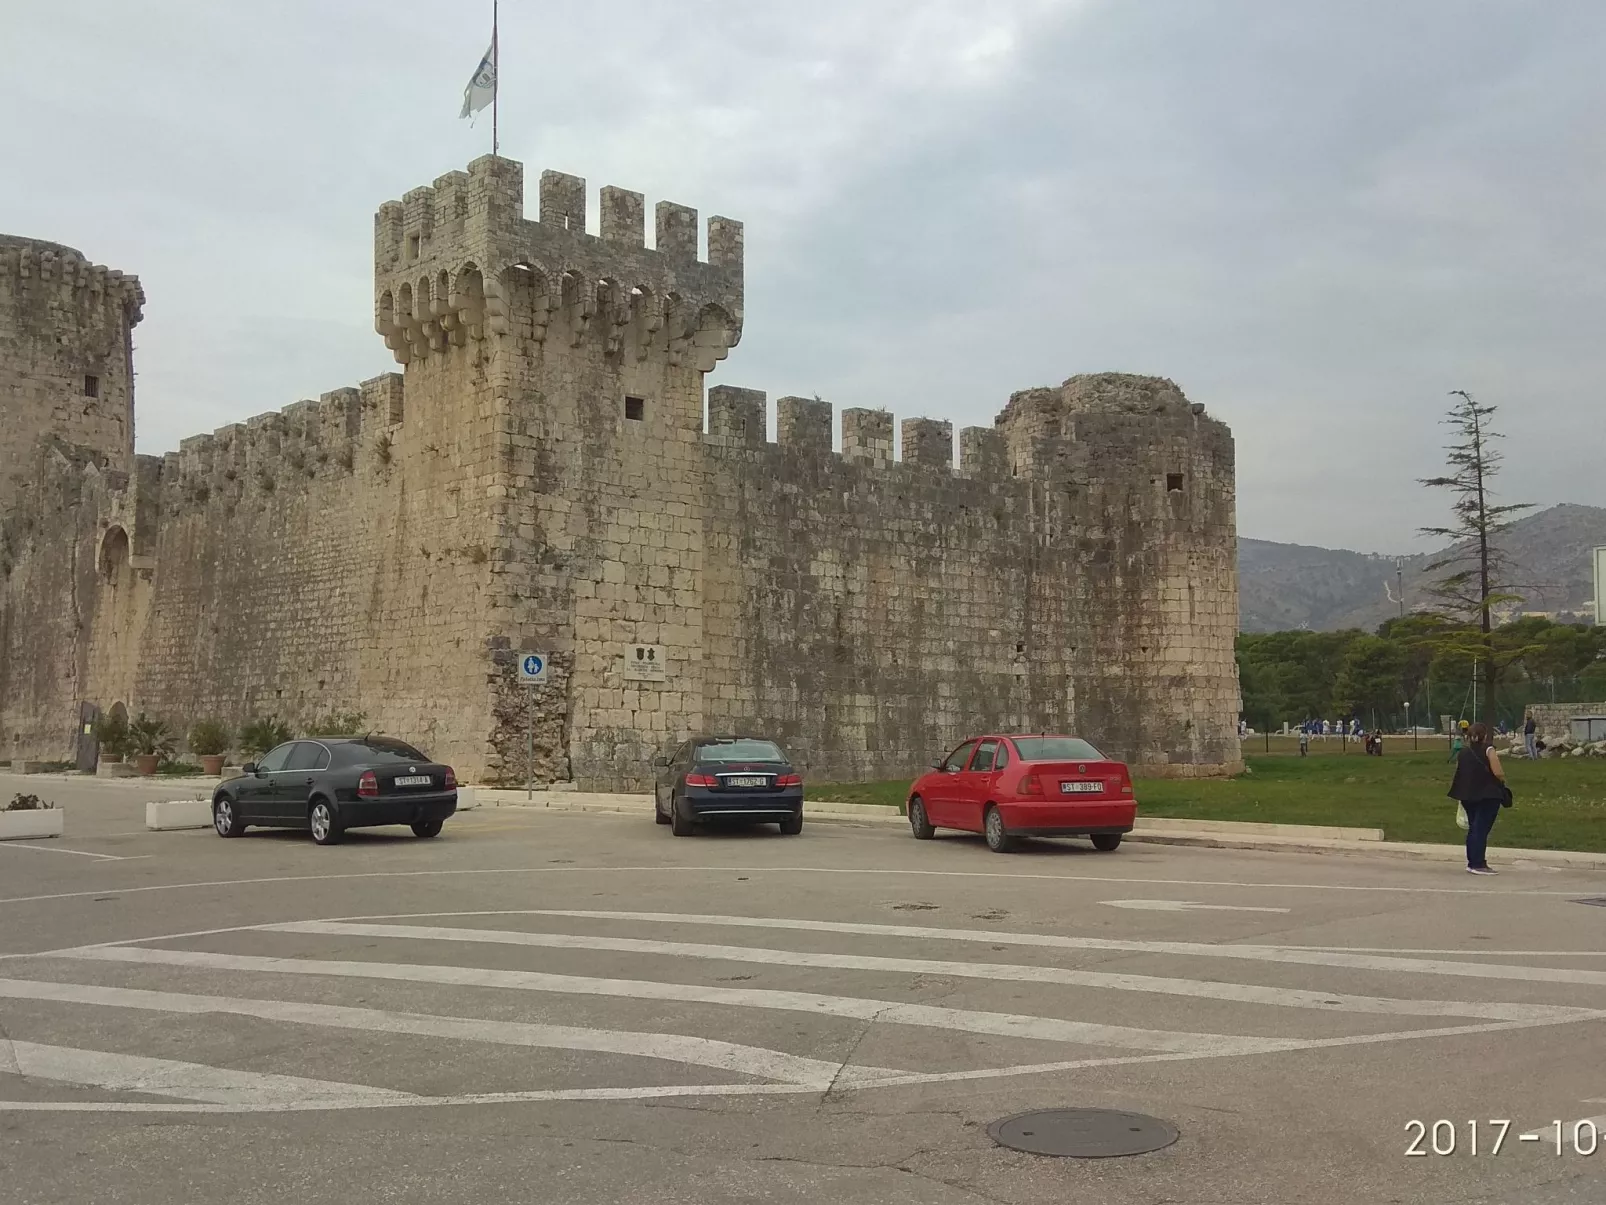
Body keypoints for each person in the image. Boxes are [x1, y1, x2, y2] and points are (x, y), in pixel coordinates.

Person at [1448, 722, 1509, 875]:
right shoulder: (1489, 749)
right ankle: (1478, 863)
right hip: (1488, 794)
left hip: (1467, 794)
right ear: (1485, 735)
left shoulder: (1463, 752)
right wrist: (1502, 781)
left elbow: (1460, 771)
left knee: (1473, 828)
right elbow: (1498, 772)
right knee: (1481, 829)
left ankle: (1472, 861)